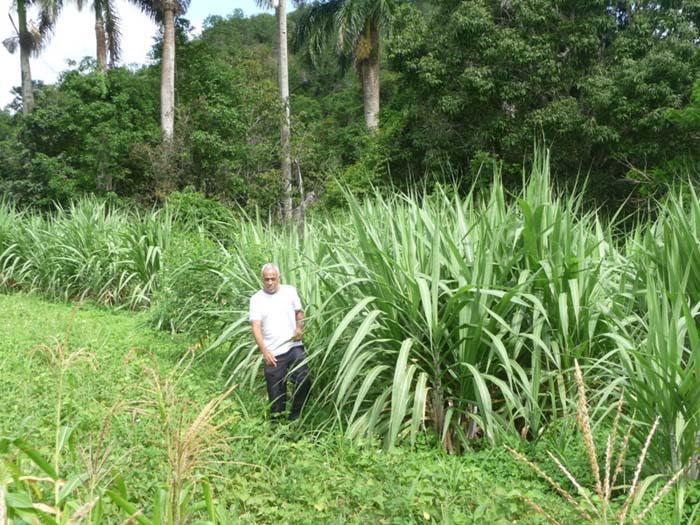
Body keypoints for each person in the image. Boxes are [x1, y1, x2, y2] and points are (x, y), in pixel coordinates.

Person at [249, 263, 310, 421]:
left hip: (293, 346)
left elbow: (299, 312)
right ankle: (276, 426)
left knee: (304, 378)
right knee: (276, 396)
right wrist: (265, 351)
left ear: (278, 278)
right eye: (266, 279)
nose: (269, 282)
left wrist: (299, 327)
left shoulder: (290, 291)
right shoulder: (256, 299)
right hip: (273, 352)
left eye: (273, 279)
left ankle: (295, 415)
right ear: (262, 279)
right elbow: (256, 326)